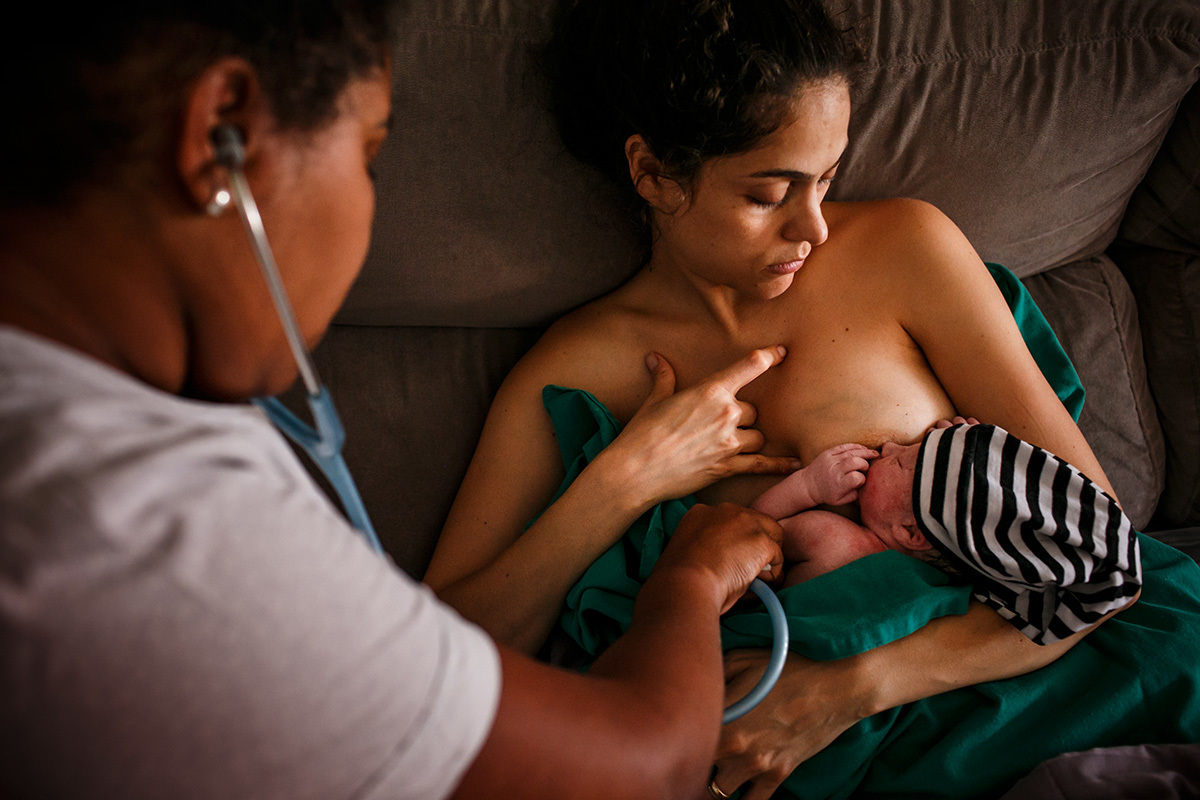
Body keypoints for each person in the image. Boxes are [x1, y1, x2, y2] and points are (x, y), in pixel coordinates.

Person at [0, 3, 796, 799]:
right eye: (368, 155)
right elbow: (647, 769)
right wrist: (689, 577)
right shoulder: (160, 529)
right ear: (221, 135)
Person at [421, 1, 1145, 797]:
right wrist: (625, 479)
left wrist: (846, 691)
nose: (816, 227)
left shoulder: (907, 249)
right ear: (655, 174)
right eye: (770, 194)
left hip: (1021, 694)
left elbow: (1103, 556)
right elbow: (442, 661)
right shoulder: (573, 369)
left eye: (828, 178)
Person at [755, 420, 1142, 648]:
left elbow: (744, 539)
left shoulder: (834, 539)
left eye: (904, 460)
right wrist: (968, 454)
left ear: (911, 532)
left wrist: (806, 487)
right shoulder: (966, 576)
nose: (890, 445)